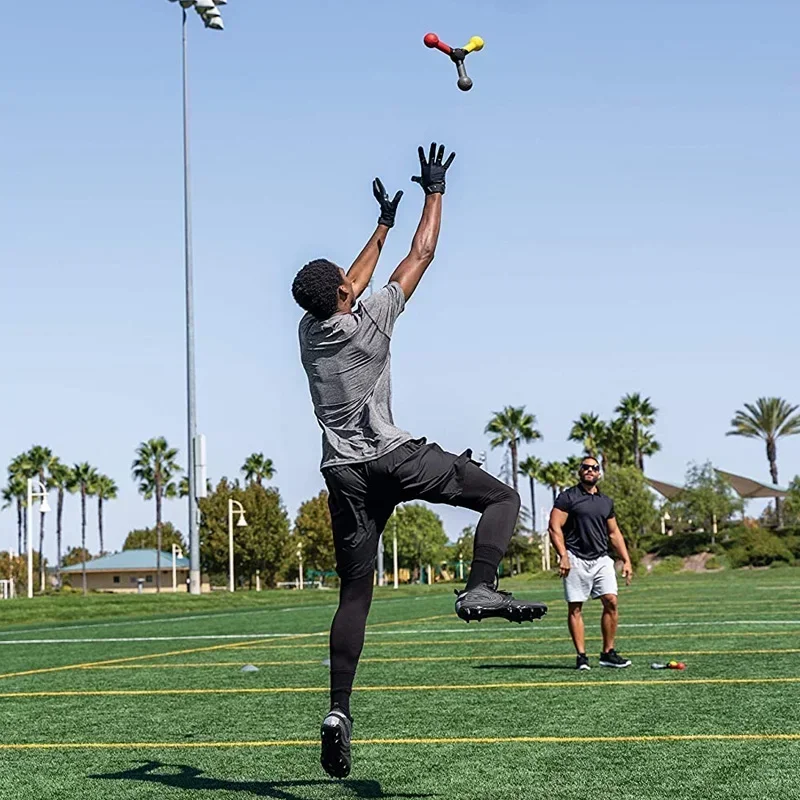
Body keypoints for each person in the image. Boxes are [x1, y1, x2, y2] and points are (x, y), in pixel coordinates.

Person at [292, 143, 548, 779]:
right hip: (393, 458)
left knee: (355, 596)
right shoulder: (369, 321)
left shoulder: (310, 331)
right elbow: (422, 255)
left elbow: (346, 283)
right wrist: (435, 193)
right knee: (501, 498)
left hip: (343, 474)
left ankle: (337, 712)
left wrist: (379, 223)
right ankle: (480, 585)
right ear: (347, 299)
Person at [548, 456, 634, 671]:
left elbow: (614, 533)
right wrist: (563, 556)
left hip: (601, 558)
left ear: (599, 473)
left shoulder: (605, 502)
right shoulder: (568, 497)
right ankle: (581, 656)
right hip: (576, 557)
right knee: (576, 607)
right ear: (580, 471)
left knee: (611, 601)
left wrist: (626, 559)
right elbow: (554, 527)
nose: (589, 471)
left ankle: (608, 653)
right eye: (585, 467)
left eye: (594, 468)